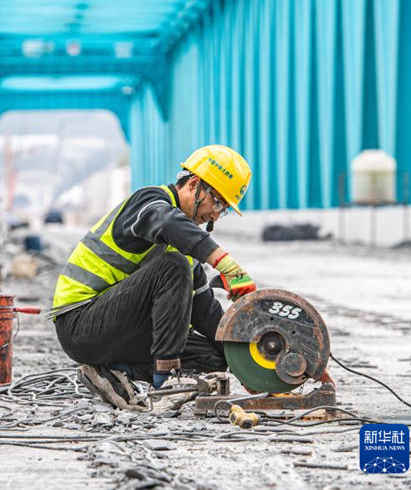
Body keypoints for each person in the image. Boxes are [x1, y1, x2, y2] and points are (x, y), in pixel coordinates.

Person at [50, 144, 256, 410]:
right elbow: (166, 222)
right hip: (80, 323)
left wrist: (249, 360)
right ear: (194, 184)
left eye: (224, 208)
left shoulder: (186, 243)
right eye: (216, 201)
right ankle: (167, 381)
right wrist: (227, 265)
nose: (216, 214)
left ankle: (112, 371)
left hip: (119, 329)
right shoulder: (148, 201)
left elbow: (206, 314)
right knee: (173, 265)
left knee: (216, 356)